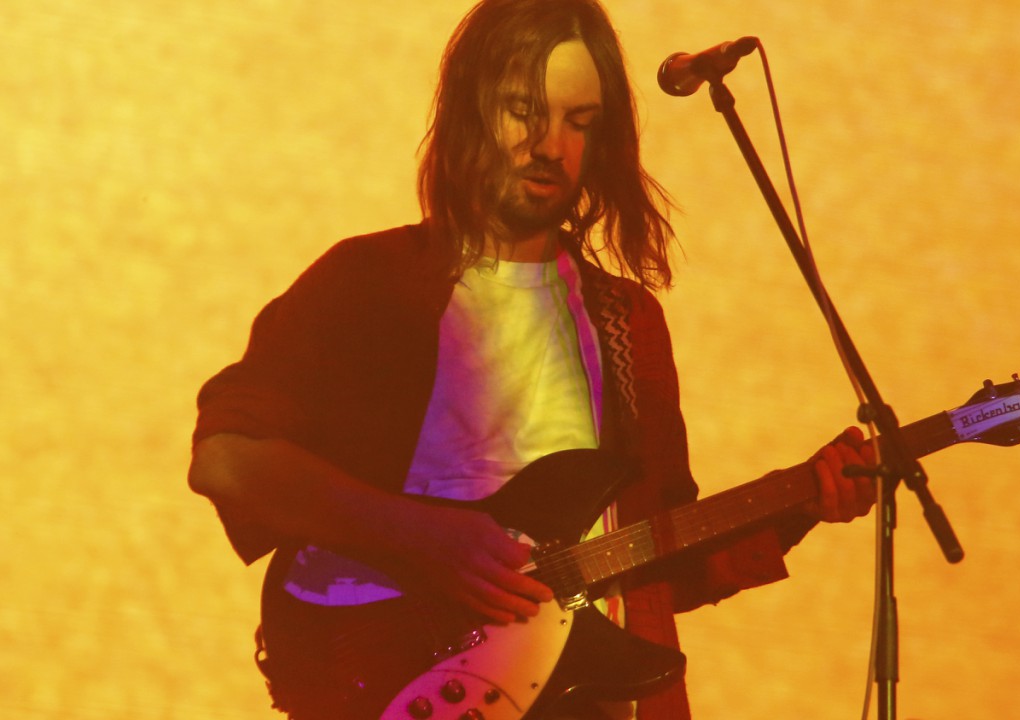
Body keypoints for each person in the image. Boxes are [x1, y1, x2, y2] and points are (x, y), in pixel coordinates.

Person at [187, 0, 877, 718]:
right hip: (380, 687)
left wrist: (804, 501)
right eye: (525, 111)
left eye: (579, 122)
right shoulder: (370, 283)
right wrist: (424, 535)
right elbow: (227, 459)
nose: (551, 144)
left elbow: (657, 565)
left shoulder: (627, 322)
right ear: (471, 113)